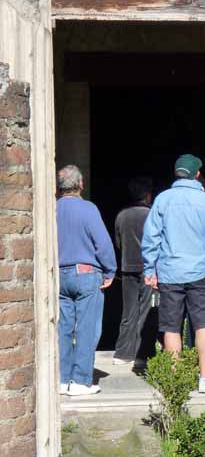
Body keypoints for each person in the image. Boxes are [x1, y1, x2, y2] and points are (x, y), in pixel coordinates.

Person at [141, 154, 205, 394]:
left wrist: (150, 268)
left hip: (169, 271)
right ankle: (204, 376)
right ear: (197, 174)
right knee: (203, 325)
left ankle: (175, 379)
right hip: (201, 272)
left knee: (170, 327)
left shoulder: (162, 200)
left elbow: (151, 238)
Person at [56, 165, 117, 396]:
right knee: (87, 328)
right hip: (86, 274)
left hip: (59, 275)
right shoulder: (88, 209)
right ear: (81, 185)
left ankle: (62, 379)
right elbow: (102, 243)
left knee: (62, 328)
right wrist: (110, 270)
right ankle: (81, 381)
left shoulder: (51, 208)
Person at [113, 176, 156, 368]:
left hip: (127, 267)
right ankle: (142, 354)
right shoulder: (151, 215)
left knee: (128, 311)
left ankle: (123, 352)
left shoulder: (122, 215)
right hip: (148, 268)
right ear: (147, 195)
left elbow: (118, 243)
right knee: (146, 312)